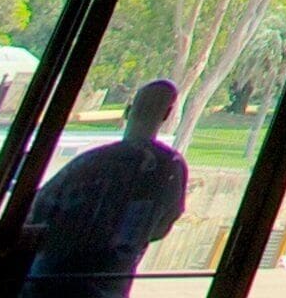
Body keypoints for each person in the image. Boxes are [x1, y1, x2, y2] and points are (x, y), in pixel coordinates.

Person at [25, 80, 189, 298]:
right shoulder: (170, 168)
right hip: (109, 283)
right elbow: (161, 227)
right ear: (166, 115)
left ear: (128, 111)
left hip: (52, 279)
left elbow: (36, 214)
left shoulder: (90, 163)